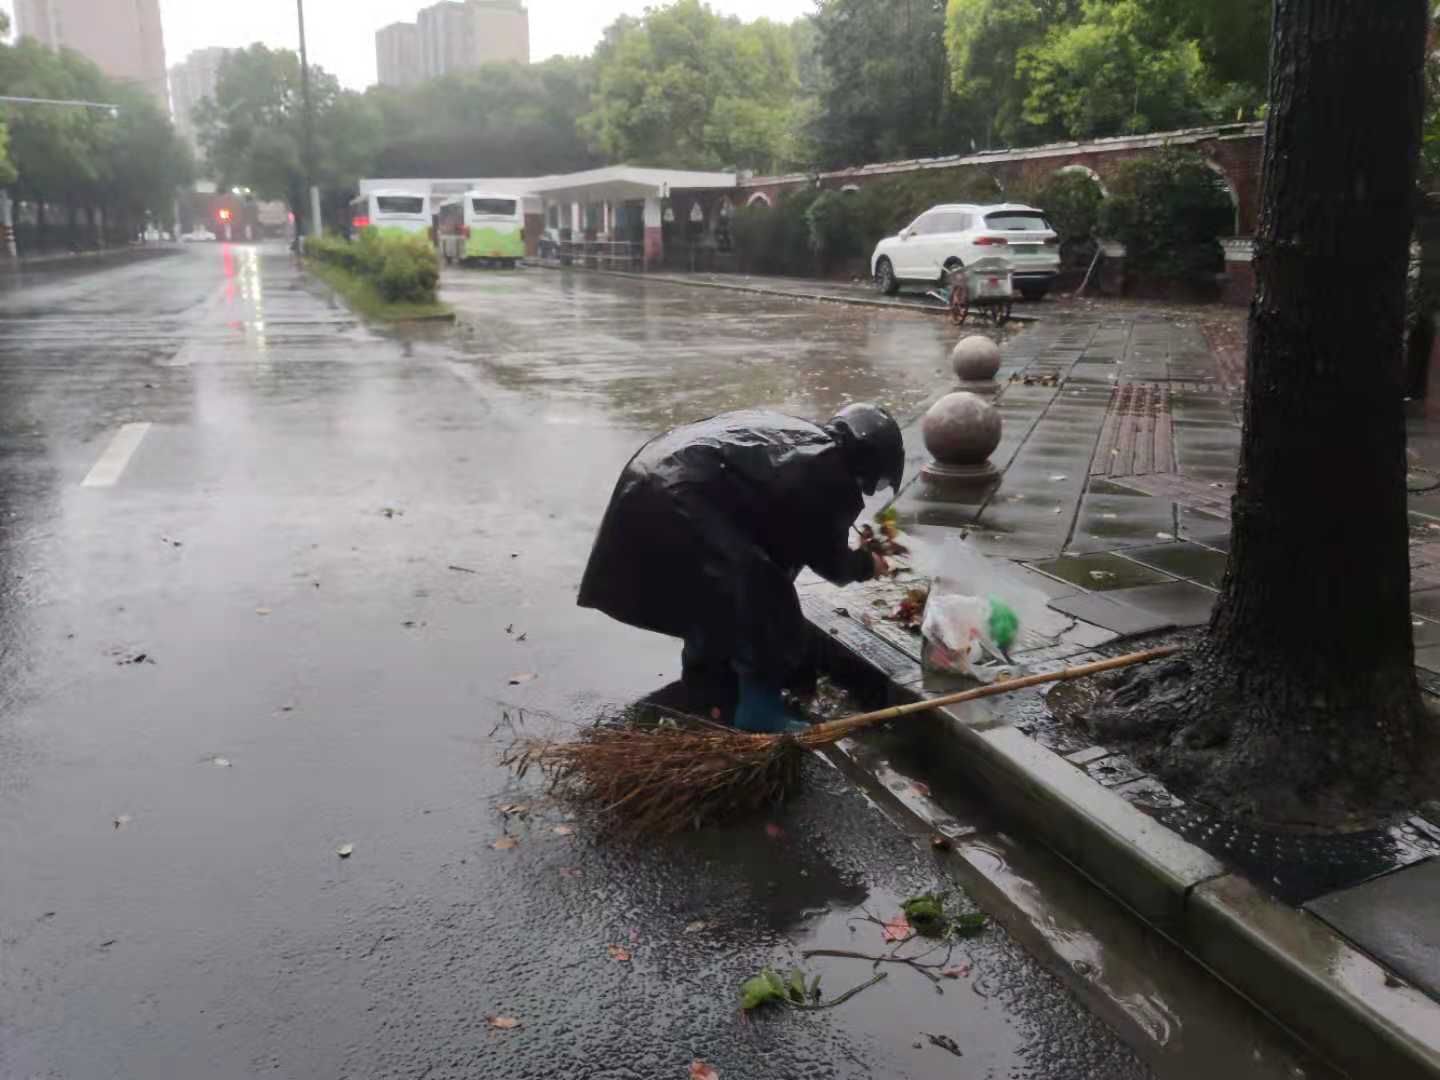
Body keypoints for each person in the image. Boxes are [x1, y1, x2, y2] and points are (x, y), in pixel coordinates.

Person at [578, 403, 905, 733]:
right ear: (870, 458)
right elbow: (830, 561)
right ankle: (759, 709)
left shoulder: (806, 441)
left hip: (647, 481)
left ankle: (707, 689)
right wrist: (867, 563)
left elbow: (784, 533)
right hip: (680, 496)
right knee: (764, 596)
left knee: (711, 594)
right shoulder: (829, 471)